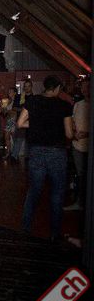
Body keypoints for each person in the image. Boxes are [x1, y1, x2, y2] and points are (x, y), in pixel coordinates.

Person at [18, 75, 74, 240]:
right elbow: (69, 134)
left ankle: (25, 229)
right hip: (57, 153)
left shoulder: (33, 101)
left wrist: (37, 124)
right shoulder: (64, 105)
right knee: (57, 193)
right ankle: (55, 234)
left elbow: (20, 123)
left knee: (34, 191)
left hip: (36, 152)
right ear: (57, 88)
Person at [66, 79, 89, 211]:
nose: (84, 90)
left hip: (88, 146)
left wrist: (87, 134)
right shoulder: (78, 104)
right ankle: (79, 203)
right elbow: (72, 121)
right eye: (83, 87)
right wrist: (73, 132)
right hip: (77, 146)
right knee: (80, 175)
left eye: (87, 87)